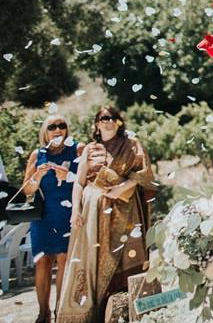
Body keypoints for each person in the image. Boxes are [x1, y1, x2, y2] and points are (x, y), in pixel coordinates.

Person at [58, 106, 156, 323]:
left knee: (125, 260)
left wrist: (120, 189)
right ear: (96, 123)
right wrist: (75, 210)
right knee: (93, 260)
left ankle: (129, 314)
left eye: (113, 118)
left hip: (126, 212)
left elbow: (144, 175)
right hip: (93, 216)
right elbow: (79, 183)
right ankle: (95, 314)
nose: (109, 122)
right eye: (104, 118)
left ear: (119, 122)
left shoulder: (132, 145)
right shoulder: (89, 149)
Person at [21, 115, 81, 323]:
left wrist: (69, 177)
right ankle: (43, 312)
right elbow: (27, 191)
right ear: (45, 132)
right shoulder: (38, 155)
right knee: (42, 263)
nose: (57, 130)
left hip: (68, 213)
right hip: (43, 216)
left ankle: (60, 311)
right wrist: (37, 176)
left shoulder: (77, 150)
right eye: (52, 127)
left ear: (66, 130)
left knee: (64, 260)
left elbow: (87, 181)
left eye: (62, 126)